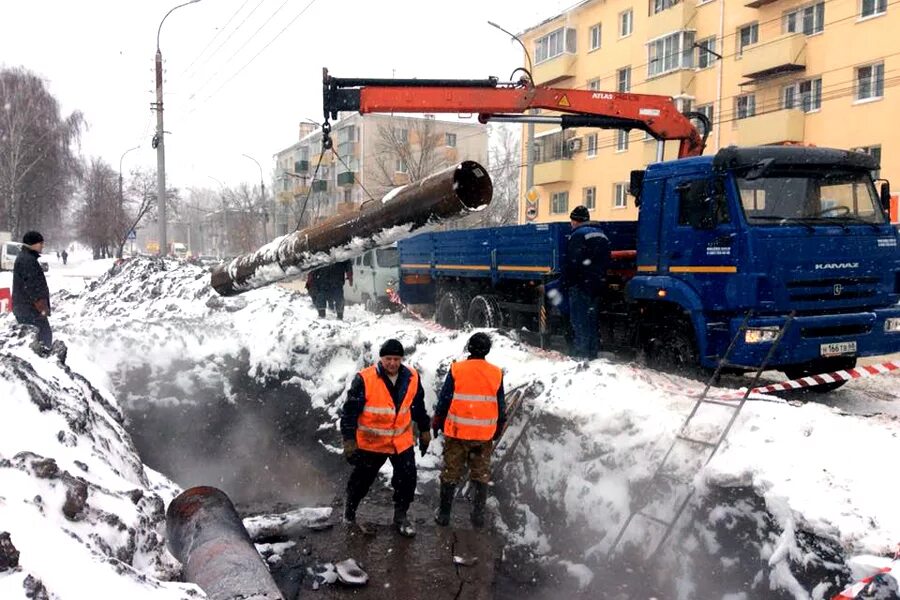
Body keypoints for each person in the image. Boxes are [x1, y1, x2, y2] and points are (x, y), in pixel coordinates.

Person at [339, 338, 431, 537]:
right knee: (361, 481)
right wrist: (349, 441)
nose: (392, 363)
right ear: (381, 358)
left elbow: (418, 406)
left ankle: (401, 517)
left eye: (397, 359)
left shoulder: (412, 377)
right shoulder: (365, 379)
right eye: (388, 358)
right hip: (373, 443)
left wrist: (425, 430)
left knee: (407, 480)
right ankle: (349, 513)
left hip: (401, 441)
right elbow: (350, 413)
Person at [431, 332, 506, 528]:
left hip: (458, 433)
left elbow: (445, 399)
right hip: (483, 435)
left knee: (451, 472)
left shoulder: (457, 369)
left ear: (469, 348)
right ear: (487, 350)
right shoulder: (496, 372)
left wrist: (437, 421)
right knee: (480, 474)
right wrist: (498, 428)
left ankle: (444, 514)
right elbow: (500, 405)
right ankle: (477, 516)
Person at [559, 205, 610, 360]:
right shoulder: (601, 234)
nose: (571, 224)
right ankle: (592, 354)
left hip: (580, 285)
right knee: (591, 321)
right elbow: (606, 259)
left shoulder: (578, 235)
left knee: (579, 322)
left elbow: (573, 262)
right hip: (597, 284)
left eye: (572, 220)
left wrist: (566, 283)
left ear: (576, 220)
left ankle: (581, 356)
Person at [12, 231, 52, 348]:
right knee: (43, 336)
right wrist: (42, 307)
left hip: (25, 307)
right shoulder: (27, 260)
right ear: (32, 244)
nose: (42, 245)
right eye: (40, 243)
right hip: (29, 309)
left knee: (38, 337)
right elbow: (33, 286)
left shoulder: (27, 257)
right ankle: (43, 361)